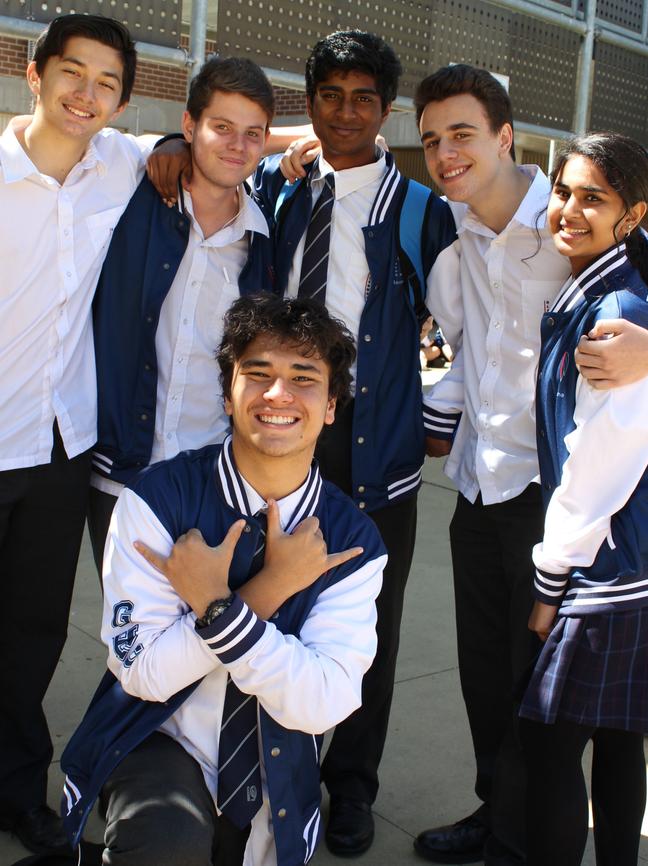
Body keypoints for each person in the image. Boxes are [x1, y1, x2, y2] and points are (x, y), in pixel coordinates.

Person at [415, 66, 648, 866]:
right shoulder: (449, 225)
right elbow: (467, 350)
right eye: (434, 138)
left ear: (504, 137)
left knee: (541, 706)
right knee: (487, 684)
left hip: (554, 504)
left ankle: (521, 845)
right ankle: (497, 818)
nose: (447, 154)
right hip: (476, 489)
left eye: (464, 134)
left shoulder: (575, 228)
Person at [59, 294, 387, 866]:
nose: (278, 394)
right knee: (167, 841)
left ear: (332, 404)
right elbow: (143, 674)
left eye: (303, 378)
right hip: (156, 738)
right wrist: (267, 592)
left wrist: (218, 604)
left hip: (274, 761)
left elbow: (323, 703)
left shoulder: (352, 541)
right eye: (256, 374)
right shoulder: (158, 501)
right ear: (229, 393)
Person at [251, 30, 456, 856]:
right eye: (330, 95)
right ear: (309, 103)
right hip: (279, 439)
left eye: (363, 98)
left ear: (387, 109)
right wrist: (165, 142)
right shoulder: (280, 185)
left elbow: (475, 307)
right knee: (275, 606)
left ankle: (352, 786)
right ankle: (275, 771)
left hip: (375, 453)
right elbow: (206, 152)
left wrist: (445, 415)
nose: (345, 112)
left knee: (367, 625)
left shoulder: (418, 210)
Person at [0, 15, 144, 856]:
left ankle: (17, 790)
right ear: (34, 72)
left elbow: (213, 136)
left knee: (32, 634)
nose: (87, 95)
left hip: (59, 449)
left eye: (107, 84)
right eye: (73, 74)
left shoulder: (119, 162)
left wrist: (310, 137)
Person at [87, 55, 276, 574]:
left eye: (253, 134)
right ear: (190, 125)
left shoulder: (265, 242)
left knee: (213, 641)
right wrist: (164, 143)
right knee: (129, 643)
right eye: (221, 128)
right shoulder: (133, 194)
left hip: (217, 482)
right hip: (122, 471)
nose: (238, 146)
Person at [518, 132, 648, 866]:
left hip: (607, 570)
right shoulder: (604, 291)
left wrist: (550, 578)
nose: (569, 209)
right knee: (621, 740)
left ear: (631, 216)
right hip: (629, 562)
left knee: (551, 746)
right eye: (564, 191)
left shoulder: (617, 313)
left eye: (592, 198)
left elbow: (600, 462)